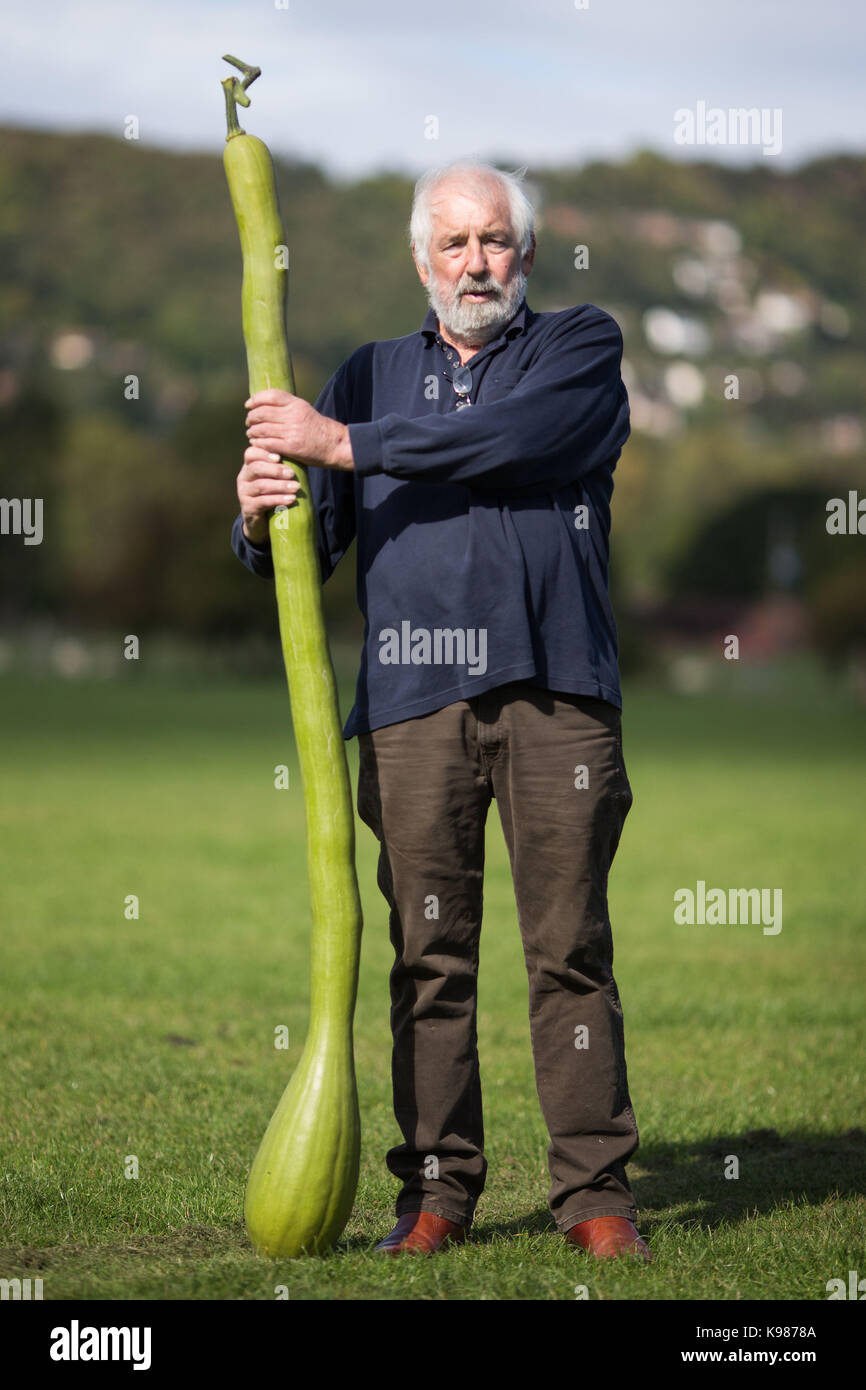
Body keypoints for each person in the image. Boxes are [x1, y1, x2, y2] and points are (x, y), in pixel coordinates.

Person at [231, 159, 650, 1262]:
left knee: (569, 950)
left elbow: (516, 441)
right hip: (413, 707)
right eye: (453, 242)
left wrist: (342, 445)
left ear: (523, 254)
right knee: (428, 958)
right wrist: (257, 508)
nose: (475, 260)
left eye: (494, 239)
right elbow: (307, 542)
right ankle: (433, 1197)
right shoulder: (364, 376)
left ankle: (593, 1193)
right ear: (422, 261)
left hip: (557, 693)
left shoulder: (576, 349)